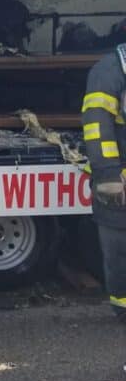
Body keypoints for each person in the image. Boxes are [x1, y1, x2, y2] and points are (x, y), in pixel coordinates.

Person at [81, 44, 126, 325]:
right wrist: (110, 175)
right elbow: (97, 126)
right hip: (117, 179)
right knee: (119, 246)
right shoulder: (110, 71)